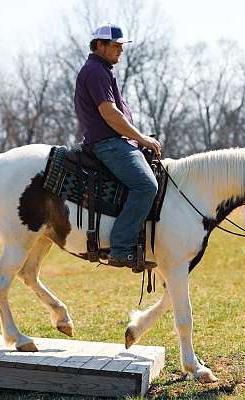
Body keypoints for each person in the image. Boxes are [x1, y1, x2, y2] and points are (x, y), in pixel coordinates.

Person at [74, 23, 161, 268]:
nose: (120, 50)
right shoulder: (96, 71)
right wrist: (142, 138)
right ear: (100, 46)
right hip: (108, 144)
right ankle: (121, 249)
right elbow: (109, 113)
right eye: (115, 46)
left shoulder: (101, 69)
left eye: (121, 46)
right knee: (146, 186)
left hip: (114, 142)